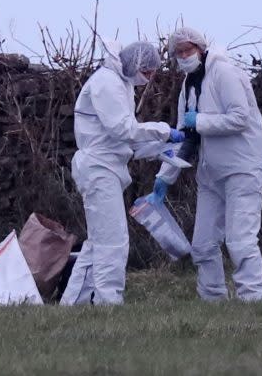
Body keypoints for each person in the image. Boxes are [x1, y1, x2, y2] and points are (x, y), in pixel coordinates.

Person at [148, 27, 262, 302]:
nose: (183, 56)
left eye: (187, 50)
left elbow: (240, 118)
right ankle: (213, 301)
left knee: (240, 241)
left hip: (242, 168)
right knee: (202, 245)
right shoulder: (188, 84)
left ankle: (252, 301)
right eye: (178, 53)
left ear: (200, 48)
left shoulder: (224, 73)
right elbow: (184, 135)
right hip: (210, 173)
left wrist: (200, 121)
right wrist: (165, 176)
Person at [60, 41, 185, 306]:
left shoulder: (121, 84)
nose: (149, 78)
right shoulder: (107, 83)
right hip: (98, 169)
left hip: (104, 167)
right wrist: (164, 131)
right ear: (135, 63)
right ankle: (109, 303)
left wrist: (160, 149)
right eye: (147, 71)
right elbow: (123, 130)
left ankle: (74, 304)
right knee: (113, 242)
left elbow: (120, 143)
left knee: (98, 243)